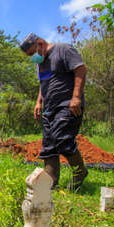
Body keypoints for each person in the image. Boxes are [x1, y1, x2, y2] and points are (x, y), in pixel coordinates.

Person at [20, 33, 88, 191]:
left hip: (67, 105)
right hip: (49, 109)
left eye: (32, 53)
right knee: (49, 145)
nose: (32, 57)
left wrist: (76, 97)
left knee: (62, 139)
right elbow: (43, 83)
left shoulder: (63, 50)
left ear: (40, 43)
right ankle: (50, 182)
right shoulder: (41, 63)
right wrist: (38, 102)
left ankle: (80, 172)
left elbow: (81, 70)